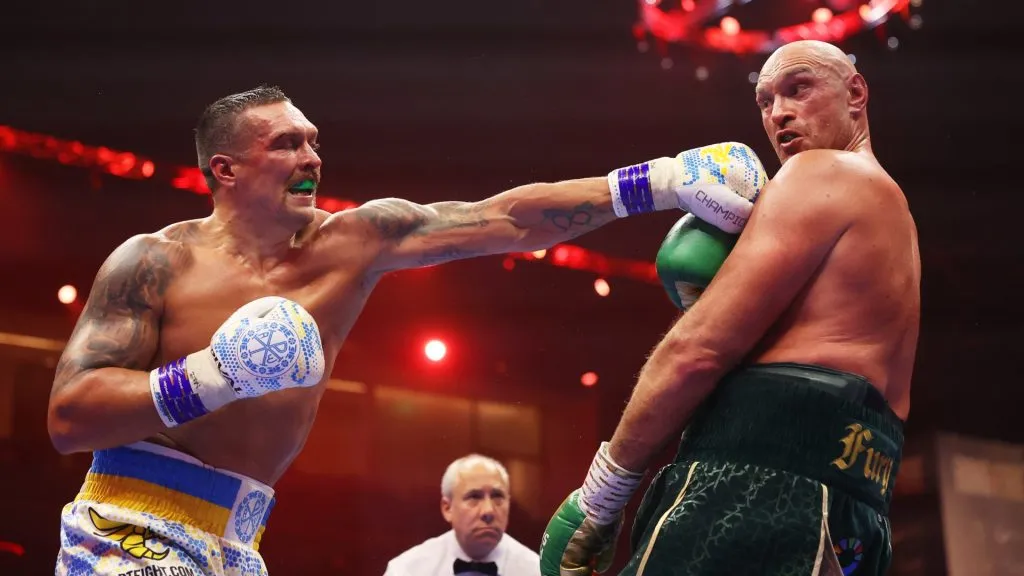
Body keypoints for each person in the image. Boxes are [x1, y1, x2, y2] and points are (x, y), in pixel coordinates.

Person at [47, 85, 768, 576]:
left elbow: (502, 218)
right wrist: (215, 373)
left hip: (238, 538)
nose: (311, 159)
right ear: (224, 169)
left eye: (314, 142)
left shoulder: (353, 242)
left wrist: (659, 181)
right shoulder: (154, 260)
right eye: (286, 145)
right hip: (123, 522)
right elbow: (70, 416)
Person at [540, 39, 920, 576]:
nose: (779, 112)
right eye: (765, 101)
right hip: (855, 519)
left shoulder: (821, 173)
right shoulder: (894, 216)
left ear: (855, 92)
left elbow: (696, 350)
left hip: (760, 489)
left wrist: (602, 495)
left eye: (798, 89)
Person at [384, 455, 539, 576]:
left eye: (497, 496)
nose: (488, 511)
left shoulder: (537, 571)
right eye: (474, 497)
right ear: (447, 508)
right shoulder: (407, 570)